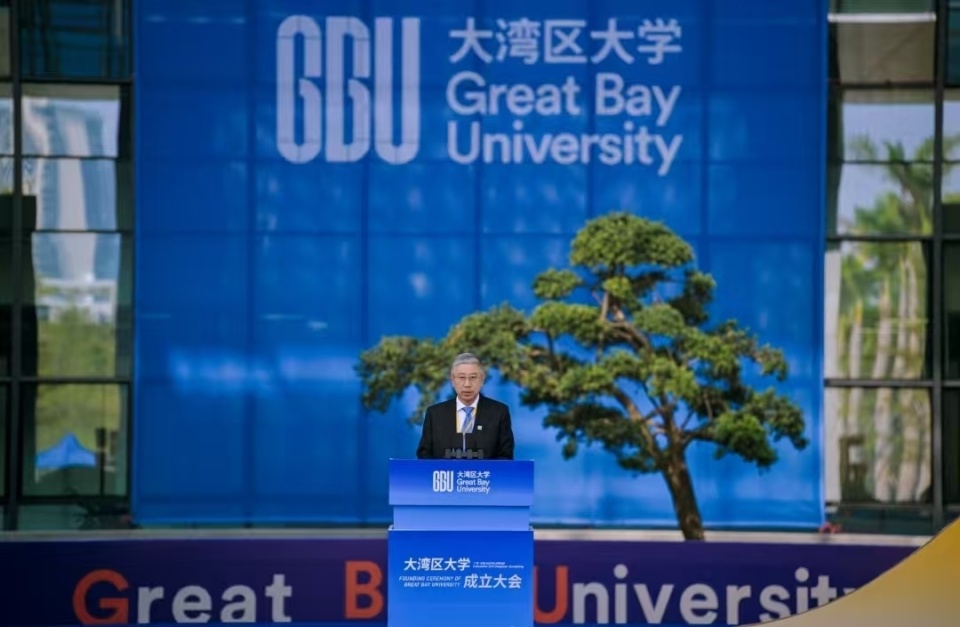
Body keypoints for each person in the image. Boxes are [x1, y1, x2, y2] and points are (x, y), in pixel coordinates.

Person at [416, 353, 515, 460]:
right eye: (461, 377)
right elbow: (424, 455)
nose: (467, 384)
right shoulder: (435, 414)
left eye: (473, 377)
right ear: (453, 380)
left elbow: (505, 455)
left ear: (482, 380)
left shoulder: (499, 412)